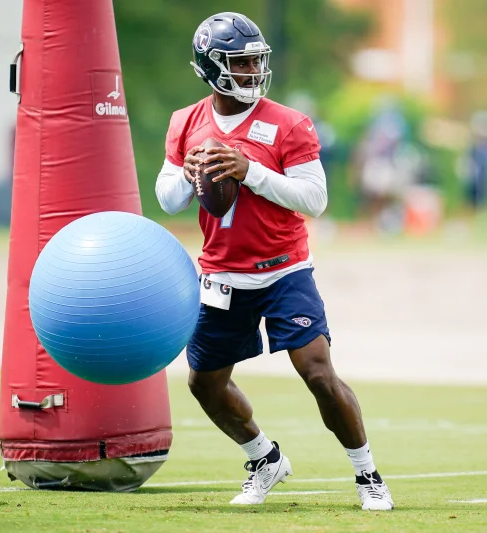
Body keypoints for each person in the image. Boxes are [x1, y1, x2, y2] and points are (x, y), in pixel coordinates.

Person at [154, 12, 394, 511]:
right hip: (221, 274)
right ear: (210, 67)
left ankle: (367, 474)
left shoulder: (288, 122)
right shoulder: (186, 122)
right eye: (240, 64)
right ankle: (264, 459)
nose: (252, 72)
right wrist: (191, 171)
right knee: (204, 383)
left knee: (319, 373)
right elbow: (168, 199)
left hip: (285, 268)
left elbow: (314, 200)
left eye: (256, 62)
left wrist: (250, 170)